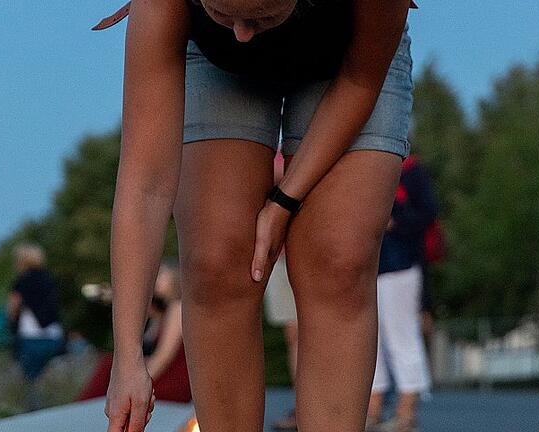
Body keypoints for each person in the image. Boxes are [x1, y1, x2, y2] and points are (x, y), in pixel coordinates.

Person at [96, 0, 417, 430]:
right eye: (224, 13)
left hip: (349, 62)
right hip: (217, 69)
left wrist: (285, 200)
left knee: (338, 261)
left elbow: (360, 81)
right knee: (217, 263)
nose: (243, 34)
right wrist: (129, 356)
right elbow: (145, 182)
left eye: (261, 16)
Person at [366, 156, 438, 432]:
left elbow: (428, 213)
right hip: (373, 266)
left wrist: (394, 220)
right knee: (374, 339)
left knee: (402, 336)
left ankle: (407, 411)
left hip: (402, 265)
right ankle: (373, 408)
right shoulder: (371, 165)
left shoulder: (412, 171)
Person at [78, 262, 191, 403]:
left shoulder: (178, 308)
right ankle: (90, 406)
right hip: (158, 375)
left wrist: (135, 382)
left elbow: (163, 357)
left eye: (161, 274)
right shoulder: (159, 315)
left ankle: (86, 407)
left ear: (175, 279)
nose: (154, 278)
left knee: (110, 366)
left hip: (169, 380)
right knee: (112, 364)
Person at [264, 152, 299, 431]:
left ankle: (309, 406)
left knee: (307, 333)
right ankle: (303, 405)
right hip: (282, 253)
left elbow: (275, 173)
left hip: (298, 250)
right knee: (294, 335)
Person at [7, 243, 64, 411]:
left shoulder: (21, 281)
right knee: (47, 380)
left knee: (30, 381)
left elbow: (13, 307)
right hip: (54, 335)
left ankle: (34, 414)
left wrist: (11, 325)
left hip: (31, 336)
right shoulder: (49, 279)